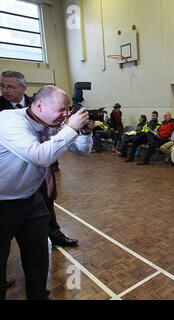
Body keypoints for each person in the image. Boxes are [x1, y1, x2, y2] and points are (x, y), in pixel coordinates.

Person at [0, 85, 93, 300]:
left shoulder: (49, 122)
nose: (65, 115)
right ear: (39, 105)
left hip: (32, 200)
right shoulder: (8, 121)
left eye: (67, 109)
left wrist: (84, 132)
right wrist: (70, 129)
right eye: (61, 109)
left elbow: (81, 151)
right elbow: (40, 156)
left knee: (37, 259)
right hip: (3, 204)